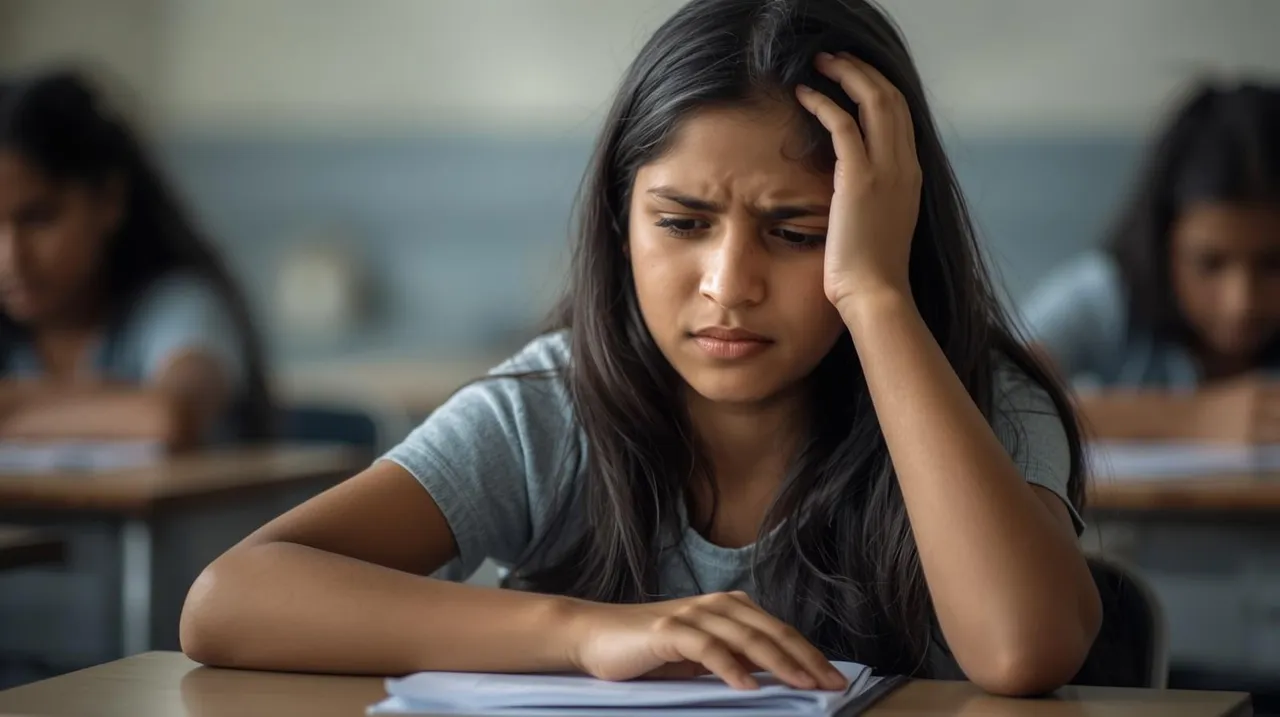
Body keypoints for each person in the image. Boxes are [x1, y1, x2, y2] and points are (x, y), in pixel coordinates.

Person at [179, 0, 1101, 696]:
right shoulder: (553, 407)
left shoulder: (982, 400)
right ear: (621, 223)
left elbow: (1023, 647)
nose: (728, 283)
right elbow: (228, 600)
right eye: (683, 222)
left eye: (796, 230)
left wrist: (874, 293)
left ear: (887, 224)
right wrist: (586, 633)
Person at [0, 69, 272, 447]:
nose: (12, 258)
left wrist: (11, 405)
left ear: (109, 200)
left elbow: (165, 417)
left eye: (39, 218)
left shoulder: (175, 307)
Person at [1021, 81, 1280, 443]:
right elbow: (995, 398)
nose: (1242, 302)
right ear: (1161, 243)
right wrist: (1192, 418)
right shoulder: (1102, 295)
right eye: (1210, 263)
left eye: (1273, 264)